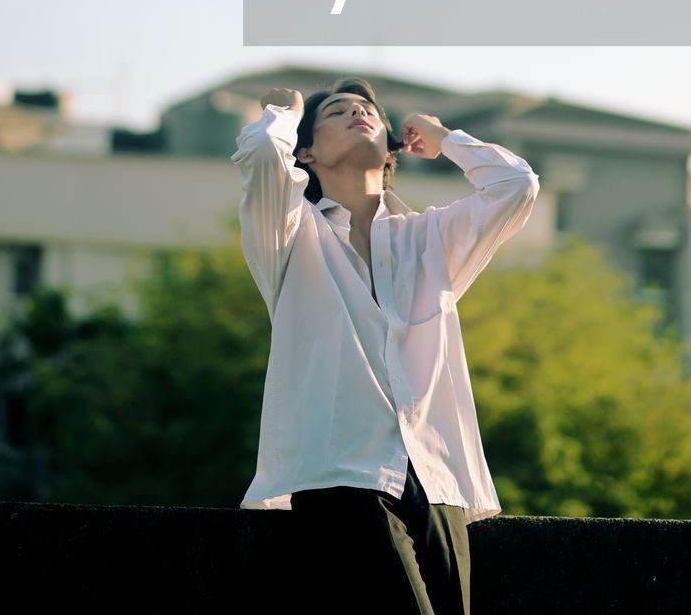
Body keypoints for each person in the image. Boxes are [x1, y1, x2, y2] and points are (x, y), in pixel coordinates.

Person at [231, 75, 541, 614]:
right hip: (339, 472)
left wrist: (446, 140)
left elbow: (518, 187)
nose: (359, 114)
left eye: (368, 110)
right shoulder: (288, 234)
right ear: (307, 152)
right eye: (337, 113)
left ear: (393, 146)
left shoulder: (431, 238)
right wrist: (284, 112)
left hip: (436, 474)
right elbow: (260, 153)